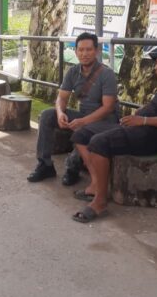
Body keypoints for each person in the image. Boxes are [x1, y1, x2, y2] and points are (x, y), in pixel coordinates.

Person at [70, 45, 157, 223]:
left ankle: (100, 201)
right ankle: (96, 184)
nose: (155, 67)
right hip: (136, 128)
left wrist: (143, 120)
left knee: (98, 143)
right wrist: (139, 114)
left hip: (151, 138)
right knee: (81, 134)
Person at [27, 32, 118, 184]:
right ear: (75, 52)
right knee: (47, 115)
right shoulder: (73, 72)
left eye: (89, 50)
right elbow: (62, 98)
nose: (84, 54)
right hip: (83, 116)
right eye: (81, 50)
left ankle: (73, 167)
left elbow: (108, 108)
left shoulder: (107, 74)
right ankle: (45, 165)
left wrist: (83, 122)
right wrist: (60, 113)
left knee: (83, 131)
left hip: (105, 121)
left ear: (96, 51)